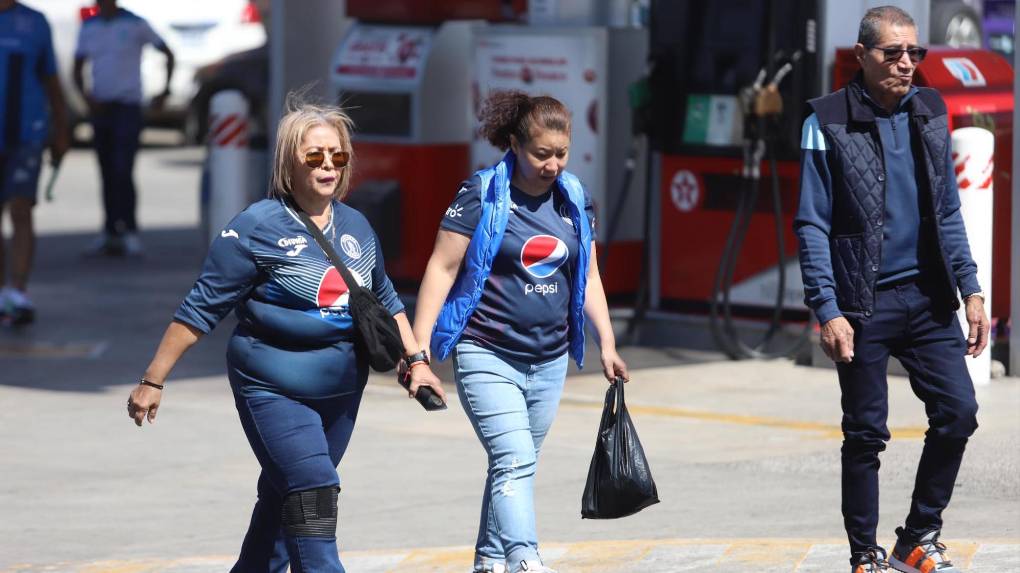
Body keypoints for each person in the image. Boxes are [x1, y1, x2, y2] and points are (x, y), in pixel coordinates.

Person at [125, 99, 445, 573]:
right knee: (314, 489)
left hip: (340, 391)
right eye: (315, 156)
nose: (329, 166)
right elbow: (198, 311)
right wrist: (153, 380)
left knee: (282, 500)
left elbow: (387, 303)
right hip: (271, 386)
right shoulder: (255, 227)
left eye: (337, 156)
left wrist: (416, 361)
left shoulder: (356, 225)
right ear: (289, 162)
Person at [794, 6, 987, 573]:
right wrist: (827, 309)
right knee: (866, 433)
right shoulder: (825, 121)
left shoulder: (930, 110)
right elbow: (811, 223)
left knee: (959, 411)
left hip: (927, 297)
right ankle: (864, 556)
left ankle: (916, 537)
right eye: (893, 53)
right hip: (861, 301)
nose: (906, 63)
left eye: (914, 53)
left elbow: (948, 209)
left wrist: (971, 289)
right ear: (862, 55)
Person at [411, 91, 628, 573]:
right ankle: (525, 559)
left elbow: (588, 276)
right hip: (486, 352)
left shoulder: (575, 198)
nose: (553, 164)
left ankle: (489, 561)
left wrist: (606, 343)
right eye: (541, 154)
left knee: (515, 464)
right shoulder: (482, 193)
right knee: (514, 459)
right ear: (513, 143)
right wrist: (418, 352)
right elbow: (442, 268)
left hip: (549, 360)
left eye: (562, 153)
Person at [73, 0, 174, 256]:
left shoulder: (135, 24)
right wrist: (86, 98)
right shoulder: (89, 26)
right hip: (102, 109)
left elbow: (167, 52)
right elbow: (77, 66)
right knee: (106, 169)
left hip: (127, 107)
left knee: (123, 167)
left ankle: (129, 229)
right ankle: (110, 229)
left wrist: (164, 92)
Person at [0, 0, 69, 325]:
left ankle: (19, 290)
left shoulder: (34, 22)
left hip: (26, 134)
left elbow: (51, 80)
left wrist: (61, 130)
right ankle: (3, 291)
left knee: (21, 208)